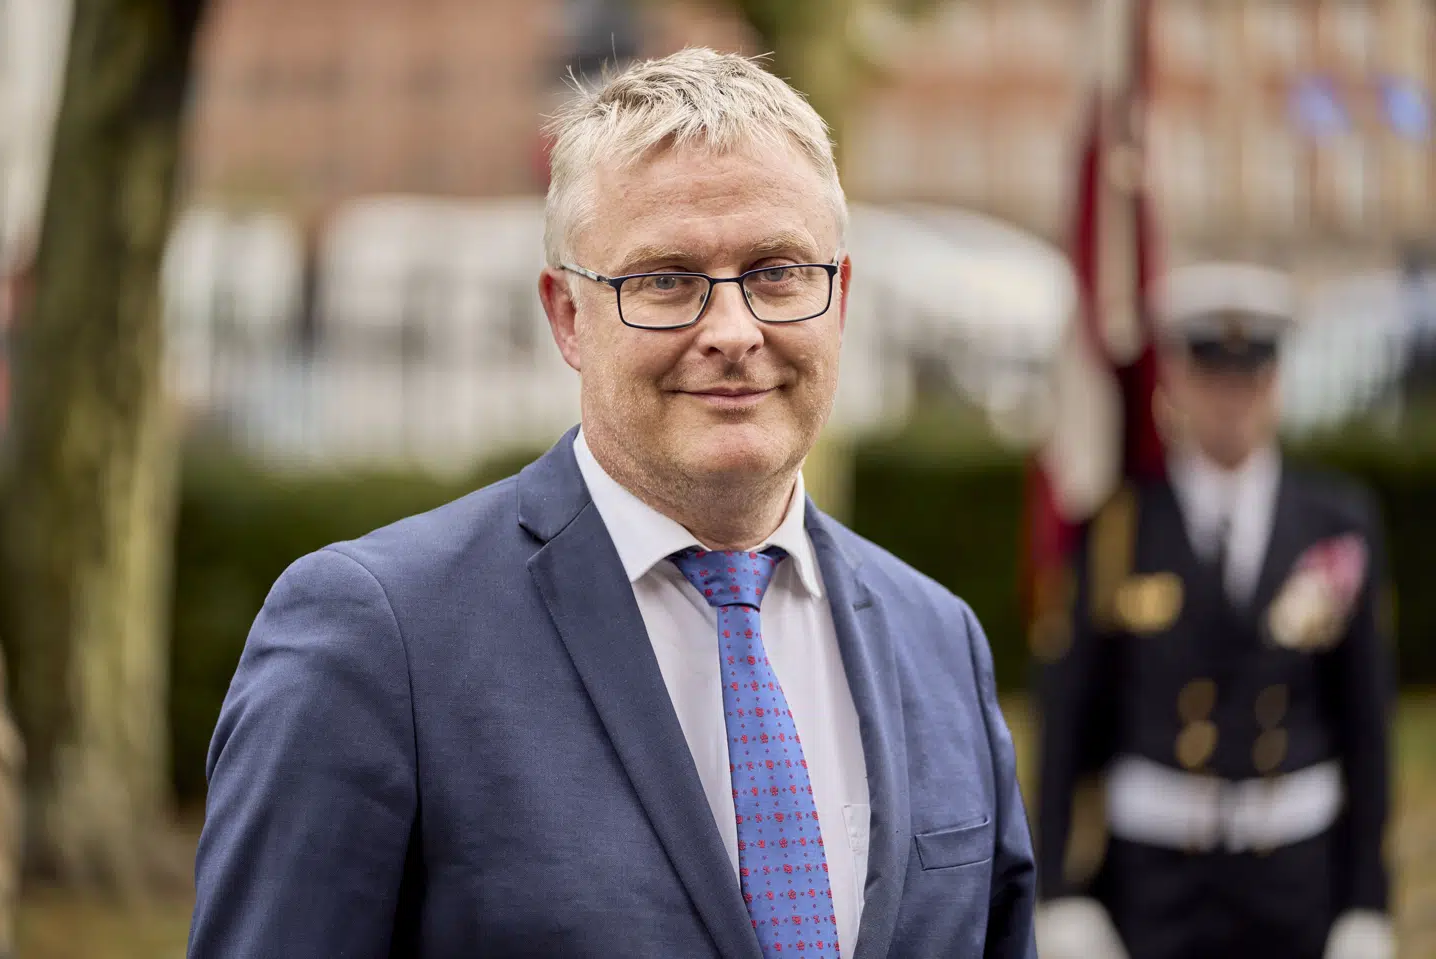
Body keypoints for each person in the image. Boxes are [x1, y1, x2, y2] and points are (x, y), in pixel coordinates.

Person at [188, 48, 1037, 959]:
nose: (733, 331)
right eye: (665, 280)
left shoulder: (938, 639)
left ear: (840, 296)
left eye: (778, 271)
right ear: (566, 317)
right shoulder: (378, 638)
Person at [1033, 263, 1396, 959]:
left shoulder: (1336, 525)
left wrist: (1367, 902)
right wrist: (1060, 892)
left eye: (1251, 377)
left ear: (1277, 384)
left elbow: (1367, 724)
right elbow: (1068, 712)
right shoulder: (1117, 524)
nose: (1234, 399)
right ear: (1177, 381)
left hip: (1297, 878)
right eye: (1214, 376)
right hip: (1156, 881)